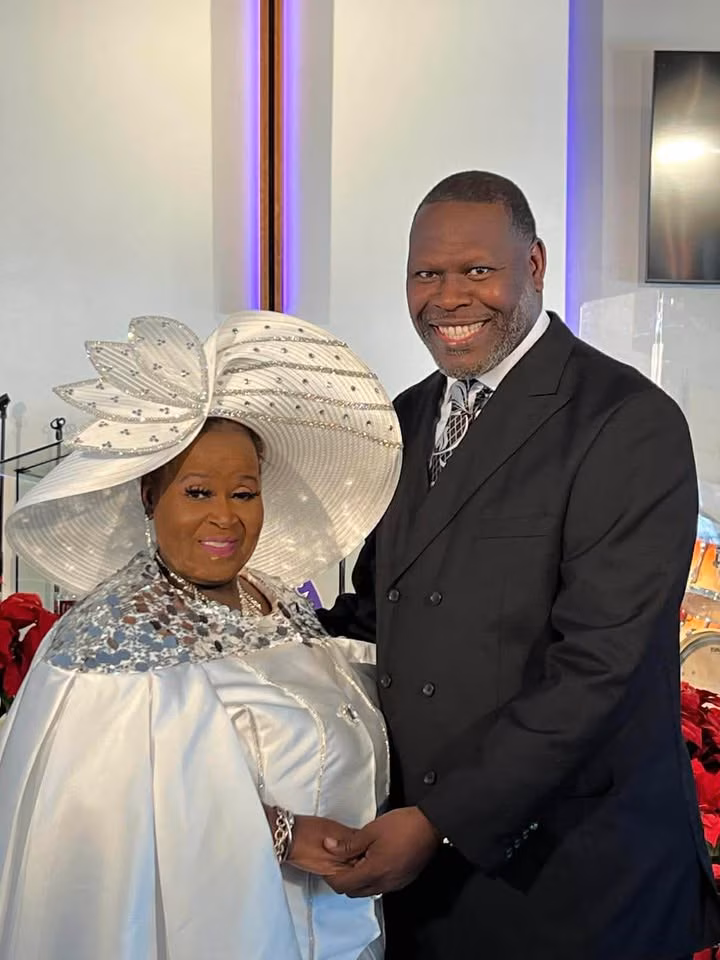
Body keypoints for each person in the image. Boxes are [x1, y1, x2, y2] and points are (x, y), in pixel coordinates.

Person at [318, 171, 720, 959]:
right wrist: (245, 629)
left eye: (477, 270)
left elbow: (600, 668)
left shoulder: (627, 422)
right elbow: (378, 614)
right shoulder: (406, 417)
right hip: (428, 877)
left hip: (576, 878)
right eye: (426, 273)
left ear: (533, 265)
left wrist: (441, 822)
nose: (448, 298)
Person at [0, 311, 402, 959]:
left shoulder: (274, 600)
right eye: (197, 492)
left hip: (342, 927)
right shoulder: (113, 637)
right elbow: (101, 824)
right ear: (148, 496)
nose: (225, 517)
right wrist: (281, 834)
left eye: (243, 493)